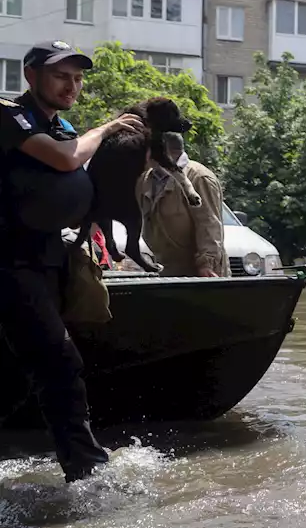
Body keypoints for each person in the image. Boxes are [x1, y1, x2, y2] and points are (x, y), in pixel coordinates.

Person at [0, 40, 144, 482]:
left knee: (19, 372)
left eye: (78, 77)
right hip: (9, 262)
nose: (72, 85)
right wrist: (106, 128)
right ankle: (88, 471)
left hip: (50, 259)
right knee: (59, 361)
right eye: (62, 75)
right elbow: (66, 160)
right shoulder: (9, 115)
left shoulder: (61, 127)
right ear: (31, 75)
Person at [136, 132, 230, 277]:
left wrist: (206, 264)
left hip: (198, 271)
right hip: (167, 268)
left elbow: (209, 223)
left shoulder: (198, 177)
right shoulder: (146, 179)